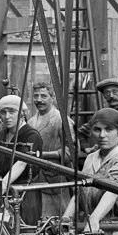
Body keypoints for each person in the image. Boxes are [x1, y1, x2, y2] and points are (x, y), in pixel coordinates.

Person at [0, 94, 45, 224]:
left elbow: (21, 163)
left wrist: (1, 187)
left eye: (12, 112)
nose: (7, 116)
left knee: (23, 231)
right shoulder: (3, 133)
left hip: (25, 194)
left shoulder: (31, 135)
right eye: (3, 112)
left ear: (22, 113)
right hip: (6, 191)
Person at [28, 82, 68, 217]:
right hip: (35, 178)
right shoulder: (31, 122)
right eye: (36, 96)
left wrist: (41, 154)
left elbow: (70, 152)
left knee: (57, 221)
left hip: (55, 178)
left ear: (52, 98)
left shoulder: (61, 120)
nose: (39, 100)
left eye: (43, 96)